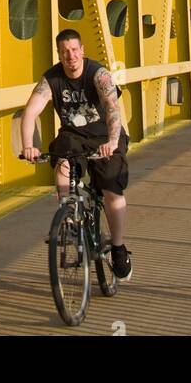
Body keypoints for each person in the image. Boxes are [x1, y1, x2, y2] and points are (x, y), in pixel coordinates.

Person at [20, 29, 132, 280]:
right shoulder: (52, 79)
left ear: (82, 51)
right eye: (64, 52)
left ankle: (118, 247)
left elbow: (112, 108)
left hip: (105, 136)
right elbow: (30, 112)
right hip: (74, 137)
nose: (70, 56)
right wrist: (29, 145)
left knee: (111, 190)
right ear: (59, 55)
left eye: (74, 50)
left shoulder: (98, 74)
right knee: (62, 163)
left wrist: (113, 141)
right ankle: (68, 217)